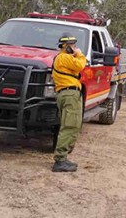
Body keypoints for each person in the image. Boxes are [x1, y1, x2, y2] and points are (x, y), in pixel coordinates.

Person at [52, 35, 87, 173]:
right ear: (65, 46)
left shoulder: (64, 59)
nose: (75, 48)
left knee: (73, 125)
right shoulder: (63, 57)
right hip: (69, 94)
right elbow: (80, 65)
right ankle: (60, 160)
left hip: (69, 94)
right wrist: (80, 54)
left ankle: (63, 155)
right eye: (72, 45)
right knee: (70, 125)